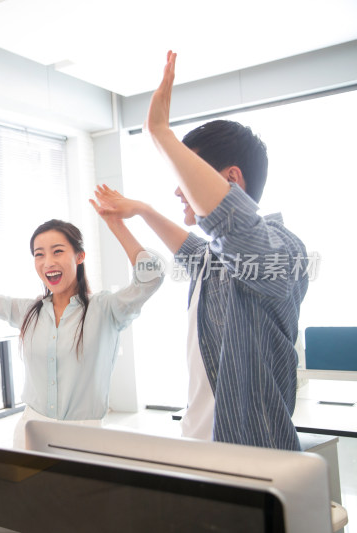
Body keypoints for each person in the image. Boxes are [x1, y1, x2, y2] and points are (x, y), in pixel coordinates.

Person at [92, 51, 309, 451]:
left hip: (252, 453)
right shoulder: (219, 258)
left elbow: (234, 226)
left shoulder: (284, 251)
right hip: (199, 442)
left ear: (231, 179)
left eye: (185, 175)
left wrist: (161, 135)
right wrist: (141, 210)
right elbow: (194, 249)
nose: (179, 188)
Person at [0, 195, 164, 448]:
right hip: (30, 432)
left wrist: (116, 225)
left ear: (79, 257)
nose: (48, 262)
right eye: (39, 254)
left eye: (58, 251)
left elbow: (151, 278)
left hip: (85, 438)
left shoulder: (105, 309)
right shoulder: (28, 311)